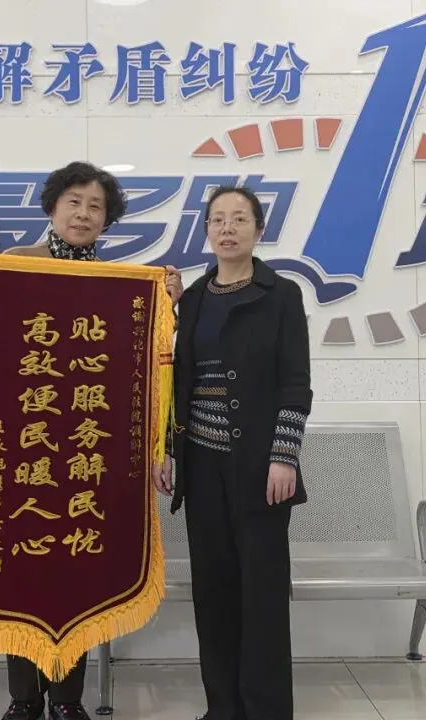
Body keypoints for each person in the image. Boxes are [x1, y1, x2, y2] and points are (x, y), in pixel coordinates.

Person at [0, 161, 184, 720]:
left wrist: (168, 301)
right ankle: (23, 700)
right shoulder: (11, 266)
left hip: (84, 457)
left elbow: (138, 374)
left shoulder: (118, 286)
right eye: (74, 202)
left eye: (96, 206)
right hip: (22, 452)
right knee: (18, 571)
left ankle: (68, 701)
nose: (84, 214)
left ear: (106, 220)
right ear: (52, 207)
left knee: (79, 568)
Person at [153, 186, 312, 720]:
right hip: (202, 470)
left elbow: (295, 383)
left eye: (239, 219)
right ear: (206, 231)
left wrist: (284, 455)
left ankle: (266, 710)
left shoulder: (281, 294)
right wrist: (168, 449)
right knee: (214, 594)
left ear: (259, 230)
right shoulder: (194, 298)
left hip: (261, 469)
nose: (228, 228)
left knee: (261, 597)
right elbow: (179, 383)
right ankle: (222, 708)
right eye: (218, 219)